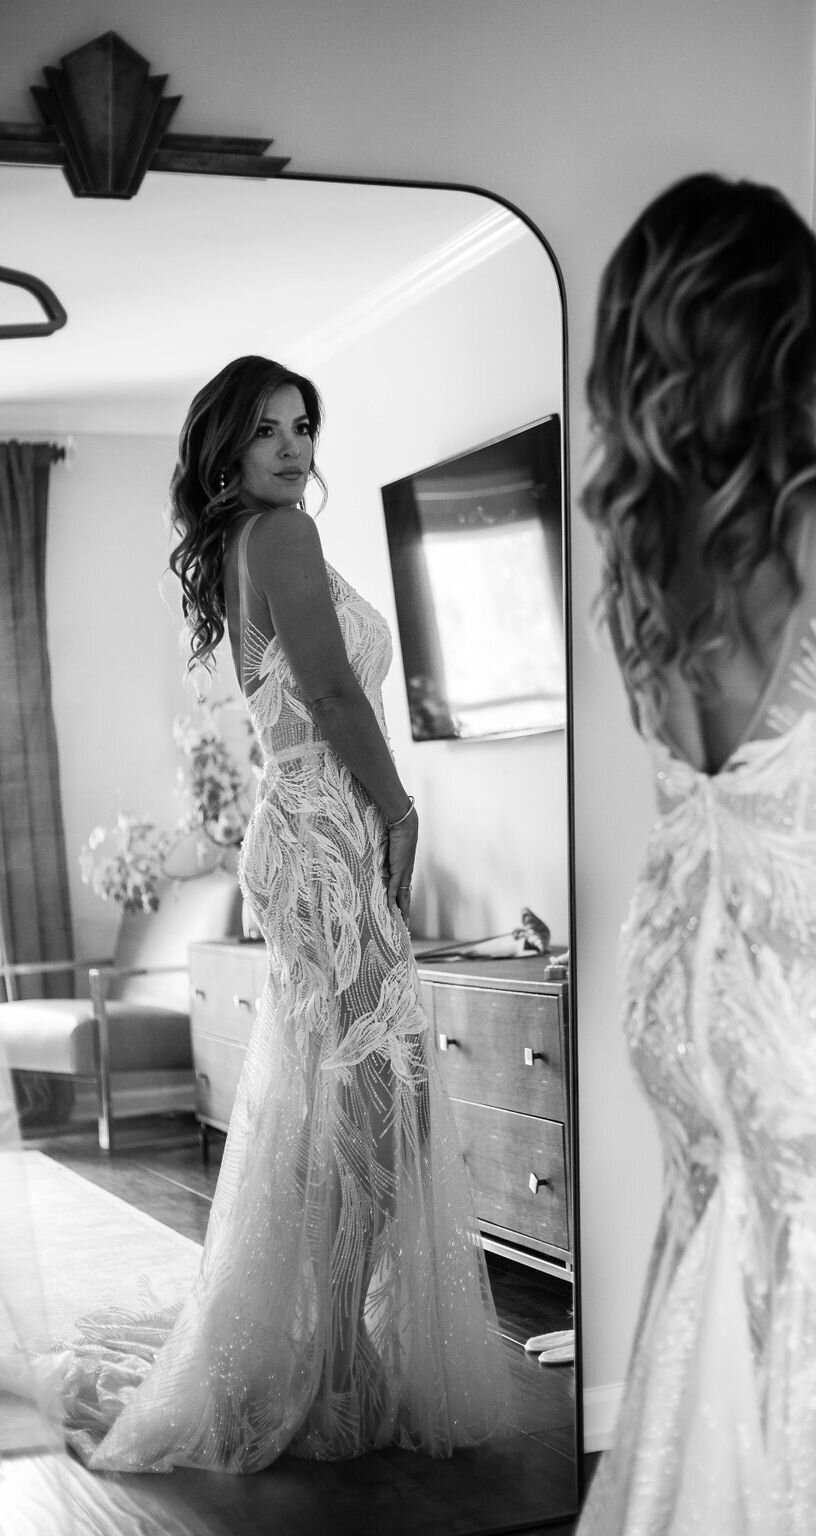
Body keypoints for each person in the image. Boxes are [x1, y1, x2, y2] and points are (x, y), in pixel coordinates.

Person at [576, 176, 816, 1535]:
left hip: (677, 982)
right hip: (814, 990)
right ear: (799, 331)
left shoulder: (636, 547)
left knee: (721, 1286)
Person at [55, 355, 509, 1472]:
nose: (294, 447)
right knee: (377, 1095)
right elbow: (337, 694)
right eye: (267, 430)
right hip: (326, 835)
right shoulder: (283, 536)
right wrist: (401, 808)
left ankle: (328, 1338)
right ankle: (336, 1355)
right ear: (228, 451)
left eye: (302, 425)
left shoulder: (238, 544)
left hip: (300, 831)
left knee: (343, 1096)